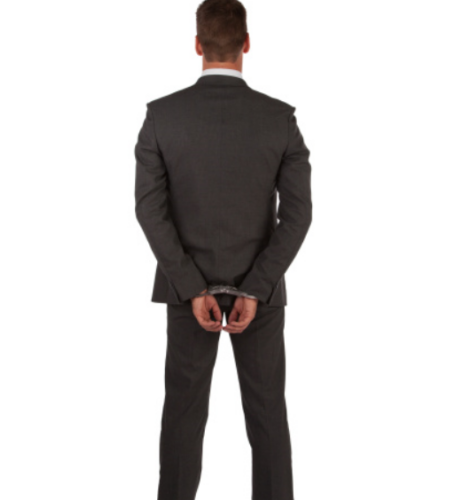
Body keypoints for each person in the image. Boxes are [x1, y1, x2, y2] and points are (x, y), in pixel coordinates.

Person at [134, 0, 312, 498]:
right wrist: (256, 288)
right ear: (246, 44)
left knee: (182, 417)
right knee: (268, 417)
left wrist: (192, 288)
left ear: (197, 45)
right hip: (261, 292)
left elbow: (149, 211)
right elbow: (298, 214)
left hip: (186, 290)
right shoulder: (279, 119)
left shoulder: (162, 117)